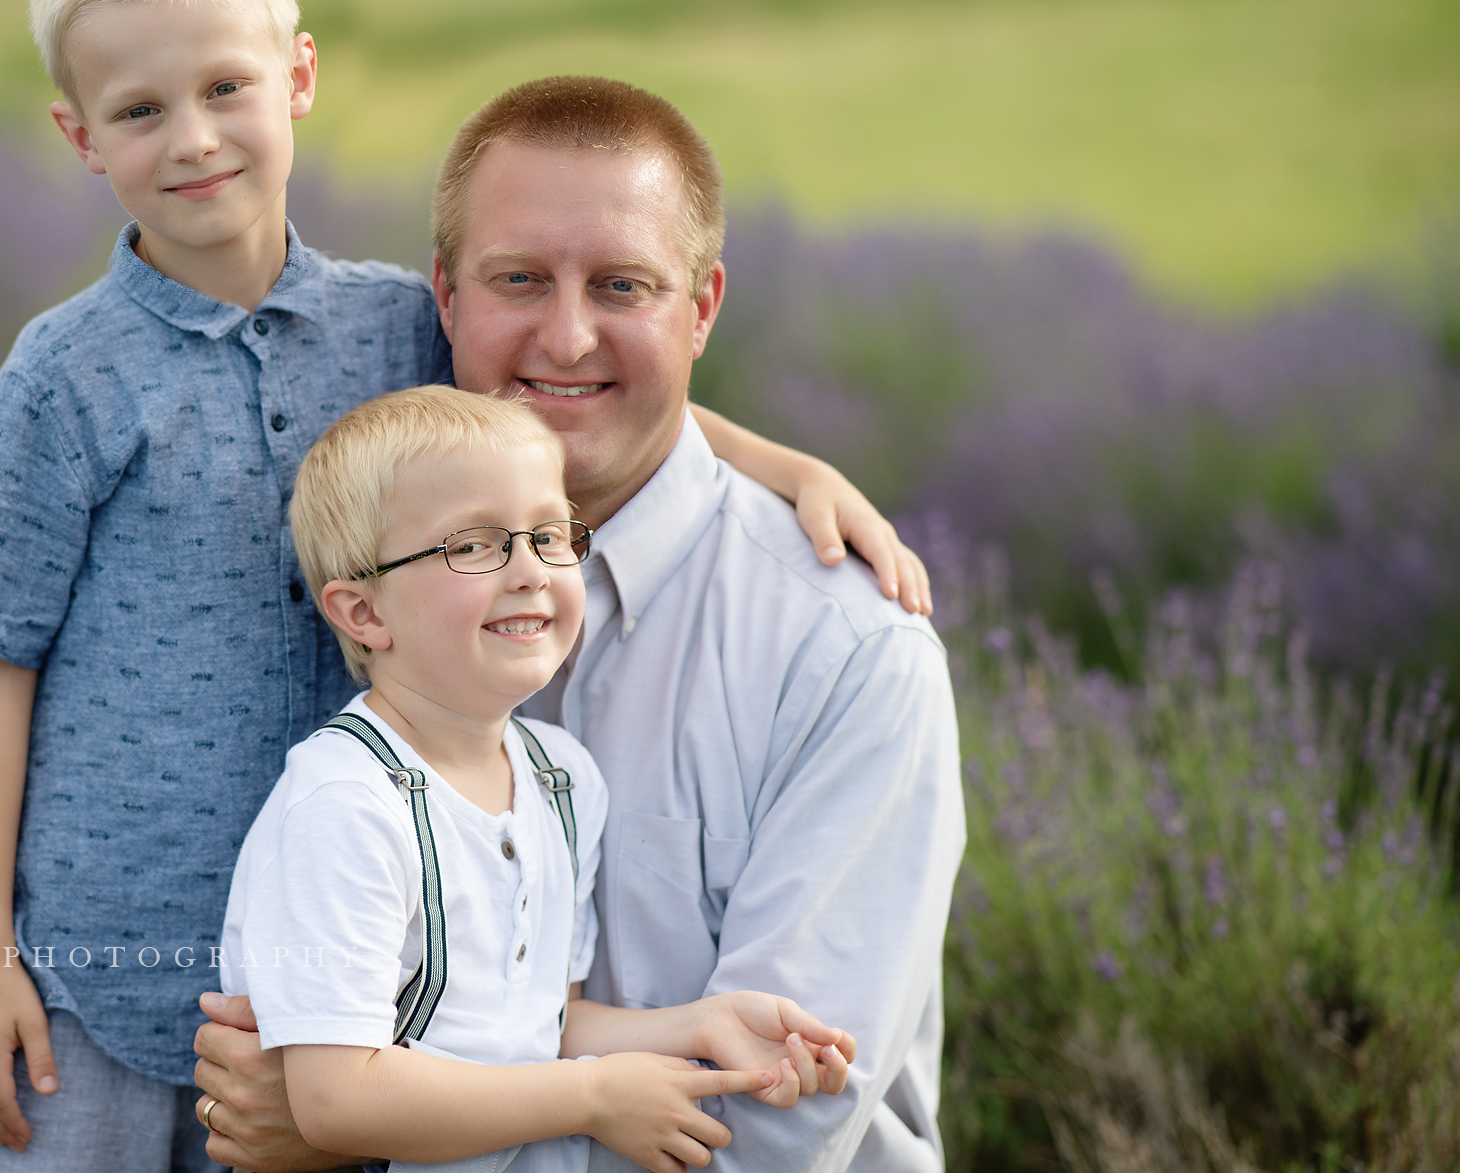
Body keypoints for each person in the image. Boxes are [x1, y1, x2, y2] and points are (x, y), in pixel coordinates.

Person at [0, 0, 928, 1172]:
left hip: (347, 967)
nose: (192, 140)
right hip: (103, 964)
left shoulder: (392, 328)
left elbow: (572, 391)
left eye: (226, 88)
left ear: (297, 79)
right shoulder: (65, 376)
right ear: (78, 135)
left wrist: (784, 466)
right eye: (138, 112)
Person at [194, 77, 965, 1173]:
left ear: (699, 308)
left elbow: (772, 1124)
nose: (564, 337)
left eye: (621, 285)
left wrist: (357, 1130)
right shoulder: (373, 530)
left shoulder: (845, 652)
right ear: (444, 299)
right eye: (517, 280)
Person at [216, 385, 856, 1173]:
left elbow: (537, 1025)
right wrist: (592, 1096)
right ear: (364, 613)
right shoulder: (345, 804)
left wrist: (702, 1025)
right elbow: (336, 1097)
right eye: (474, 546)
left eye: (551, 535)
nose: (529, 570)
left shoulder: (560, 778)